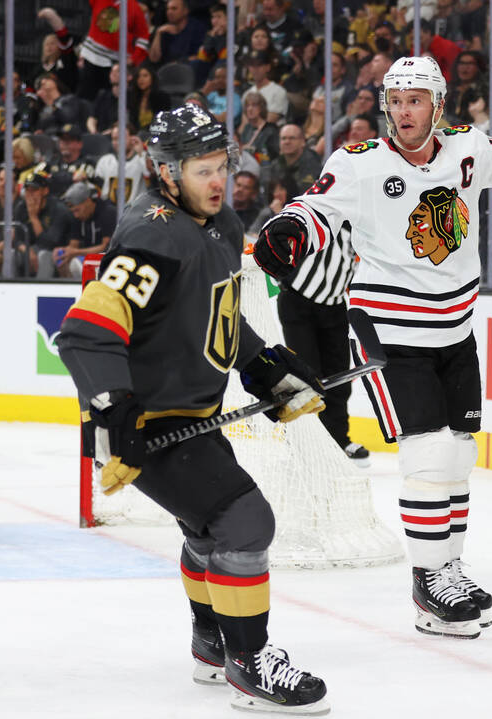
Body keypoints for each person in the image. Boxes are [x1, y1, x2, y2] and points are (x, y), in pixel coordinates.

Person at [251, 55, 492, 639]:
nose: (404, 111)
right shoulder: (359, 163)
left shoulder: (466, 149)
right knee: (428, 455)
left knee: (458, 454)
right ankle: (428, 581)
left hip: (455, 329)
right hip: (390, 331)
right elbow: (317, 207)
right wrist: (290, 229)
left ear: (437, 104)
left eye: (415, 100)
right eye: (396, 100)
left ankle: (449, 568)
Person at [55, 104, 330, 713]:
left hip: (194, 416)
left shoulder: (222, 224)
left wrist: (264, 367)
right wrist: (115, 413)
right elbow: (84, 334)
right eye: (201, 169)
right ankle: (248, 661)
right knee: (245, 522)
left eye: (220, 167)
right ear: (164, 171)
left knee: (207, 529)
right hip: (149, 427)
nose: (216, 182)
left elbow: (219, 318)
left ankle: (212, 641)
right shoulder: (152, 235)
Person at [275, 220, 369, 464]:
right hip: (297, 301)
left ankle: (339, 441)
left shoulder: (364, 219)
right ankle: (300, 444)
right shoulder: (326, 207)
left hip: (335, 305)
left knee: (339, 379)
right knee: (306, 378)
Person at [71, 0, 151, 101]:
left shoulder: (133, 7)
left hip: (115, 64)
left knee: (110, 100)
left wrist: (133, 60)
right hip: (92, 58)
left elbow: (144, 38)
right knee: (85, 97)